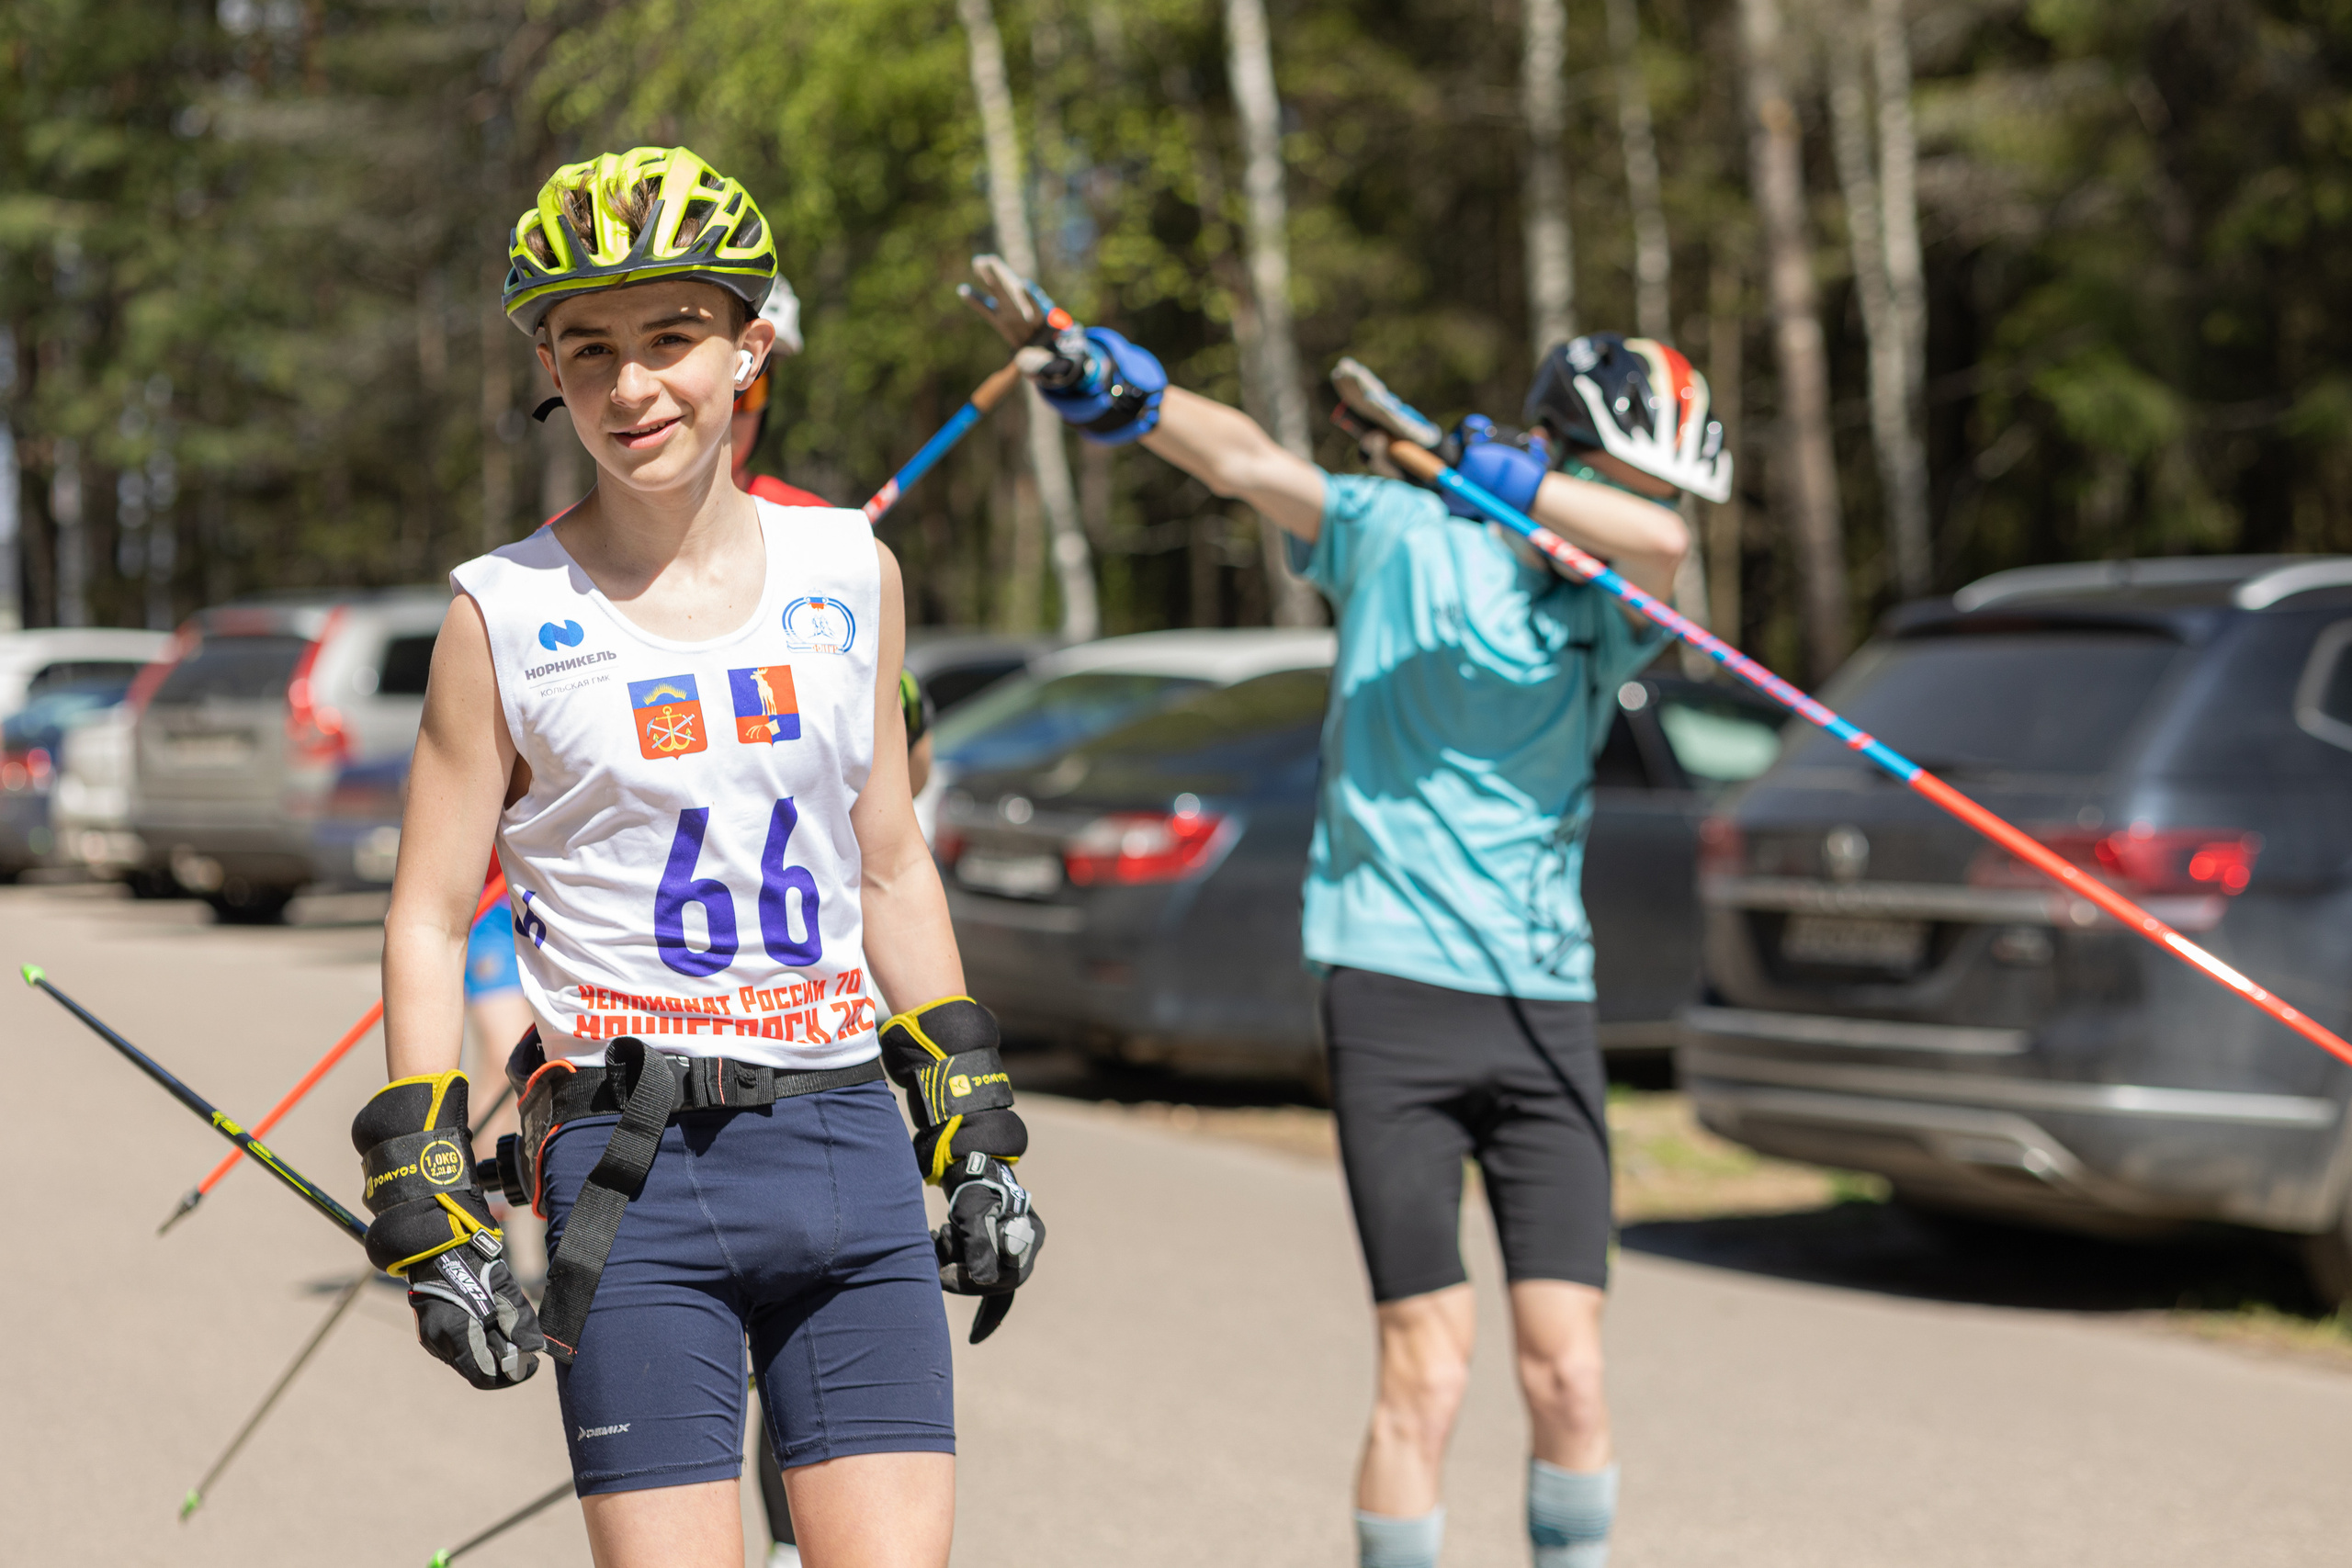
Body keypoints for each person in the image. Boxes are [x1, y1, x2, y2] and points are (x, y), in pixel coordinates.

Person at [964, 259, 1721, 1568]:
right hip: (1393, 990)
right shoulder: (1399, 532)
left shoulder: (1604, 602)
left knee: (1570, 1374)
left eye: (1663, 490)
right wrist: (1123, 388)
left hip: (1546, 1000)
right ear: (1567, 449)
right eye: (1635, 479)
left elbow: (1666, 548)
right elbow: (1253, 463)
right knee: (1429, 1367)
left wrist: (1483, 464)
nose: (1653, 510)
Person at [358, 148, 1042, 1568]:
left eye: (672, 338)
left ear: (750, 347)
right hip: (633, 1173)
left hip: (846, 1144)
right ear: (550, 369)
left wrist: (970, 1120)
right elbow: (425, 915)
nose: (632, 389)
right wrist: (422, 1183)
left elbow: (890, 865)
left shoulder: (851, 569)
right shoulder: (501, 615)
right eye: (589, 350)